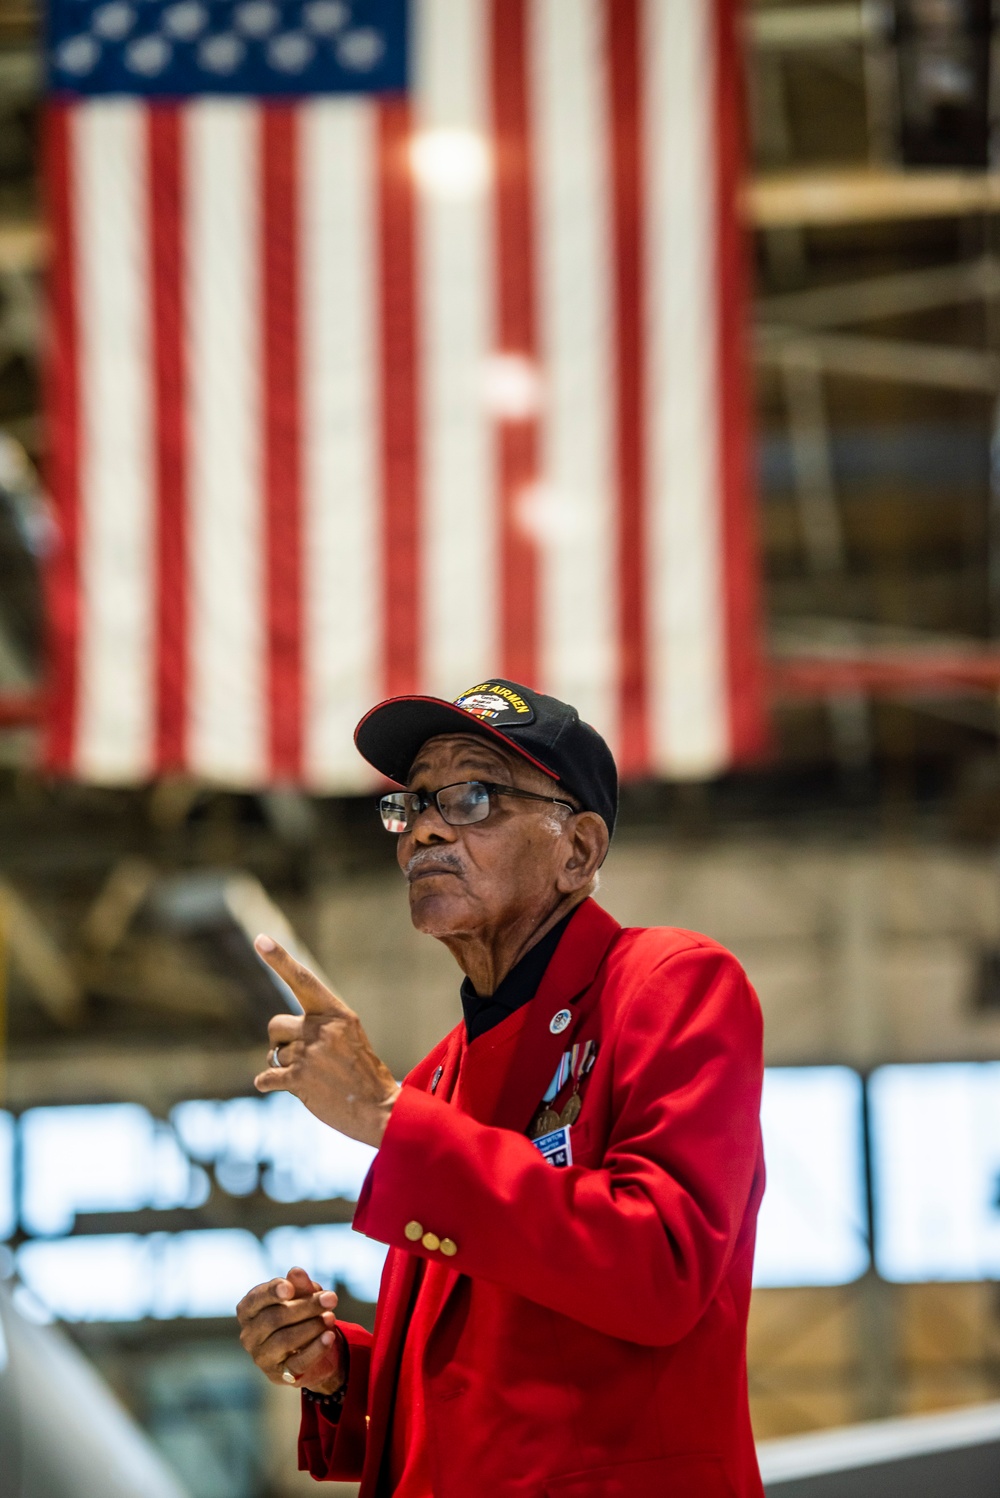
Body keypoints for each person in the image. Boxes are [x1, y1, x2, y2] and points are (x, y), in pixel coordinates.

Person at [236, 679, 766, 1498]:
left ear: (579, 852)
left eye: (474, 795)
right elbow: (478, 1376)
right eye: (412, 805)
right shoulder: (437, 1077)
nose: (426, 832)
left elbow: (661, 1271)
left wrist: (385, 1114)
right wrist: (341, 1369)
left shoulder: (670, 985)